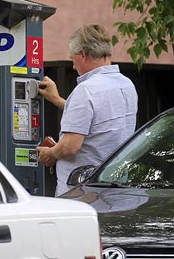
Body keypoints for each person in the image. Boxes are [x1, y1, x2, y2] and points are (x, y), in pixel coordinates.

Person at [37, 24, 138, 196]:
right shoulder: (126, 84)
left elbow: (69, 147)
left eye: (73, 59)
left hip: (80, 193)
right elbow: (97, 117)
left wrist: (50, 153)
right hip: (115, 188)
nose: (74, 67)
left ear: (82, 55)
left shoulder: (86, 90)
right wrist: (57, 99)